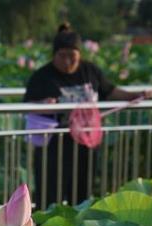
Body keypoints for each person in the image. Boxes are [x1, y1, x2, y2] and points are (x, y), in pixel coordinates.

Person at [24, 22, 145, 207]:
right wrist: (44, 105)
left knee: (83, 191)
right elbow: (27, 106)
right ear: (54, 55)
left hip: (86, 143)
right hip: (54, 147)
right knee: (50, 193)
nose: (66, 62)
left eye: (71, 57)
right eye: (61, 56)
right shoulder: (42, 76)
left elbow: (110, 91)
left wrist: (136, 96)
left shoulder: (90, 71)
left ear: (80, 55)